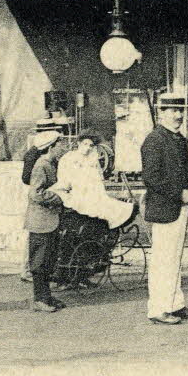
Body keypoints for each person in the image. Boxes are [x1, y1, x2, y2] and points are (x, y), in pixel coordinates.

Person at [141, 92, 188, 326]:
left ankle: (175, 304)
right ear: (162, 113)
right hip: (166, 208)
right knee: (163, 260)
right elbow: (152, 178)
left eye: (181, 111)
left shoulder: (178, 139)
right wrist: (180, 193)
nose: (178, 115)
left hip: (181, 207)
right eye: (173, 111)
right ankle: (158, 308)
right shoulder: (154, 140)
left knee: (174, 259)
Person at [53, 133, 137, 228]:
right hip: (73, 190)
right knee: (89, 204)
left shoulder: (91, 159)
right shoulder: (68, 158)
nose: (88, 147)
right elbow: (64, 179)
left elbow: (96, 181)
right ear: (79, 143)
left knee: (105, 203)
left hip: (89, 191)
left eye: (90, 145)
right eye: (85, 144)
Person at [24, 128, 67, 313]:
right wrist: (58, 196)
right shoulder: (42, 165)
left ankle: (46, 296)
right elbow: (35, 193)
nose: (63, 147)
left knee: (48, 260)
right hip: (41, 221)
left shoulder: (52, 163)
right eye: (60, 144)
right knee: (39, 262)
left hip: (49, 221)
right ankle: (39, 299)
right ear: (51, 147)